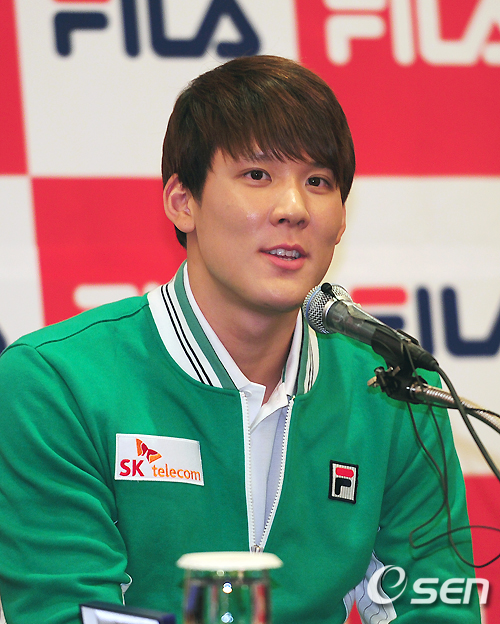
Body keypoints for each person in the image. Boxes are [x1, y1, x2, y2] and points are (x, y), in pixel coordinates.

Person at [0, 55, 479, 624]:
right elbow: (68, 613)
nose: (293, 209)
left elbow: (438, 607)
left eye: (318, 182)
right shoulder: (56, 384)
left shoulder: (395, 390)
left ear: (342, 219)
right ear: (183, 202)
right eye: (257, 175)